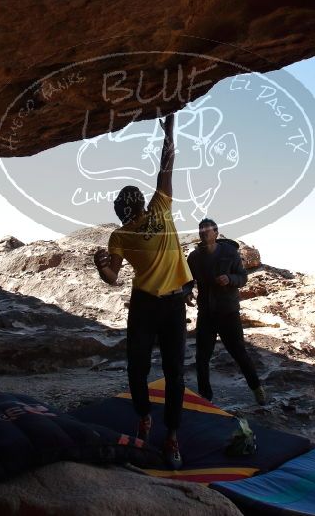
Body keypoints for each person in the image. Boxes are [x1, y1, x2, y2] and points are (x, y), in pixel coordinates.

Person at [93, 112, 192, 470]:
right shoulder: (119, 236)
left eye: (130, 196)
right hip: (144, 305)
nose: (129, 199)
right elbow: (113, 277)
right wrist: (101, 266)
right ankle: (144, 417)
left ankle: (172, 436)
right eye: (126, 200)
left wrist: (170, 130)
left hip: (174, 305)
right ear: (123, 210)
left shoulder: (160, 205)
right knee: (136, 368)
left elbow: (166, 164)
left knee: (175, 372)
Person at [186, 218, 267, 406]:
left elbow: (243, 277)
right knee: (201, 357)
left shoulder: (230, 252)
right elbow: (188, 279)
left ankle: (257, 389)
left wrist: (230, 278)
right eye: (201, 231)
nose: (204, 233)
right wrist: (187, 291)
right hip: (205, 312)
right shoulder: (194, 257)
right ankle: (205, 397)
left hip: (228, 312)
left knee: (239, 352)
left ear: (216, 232)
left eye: (208, 230)